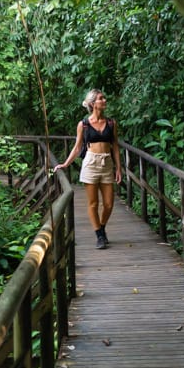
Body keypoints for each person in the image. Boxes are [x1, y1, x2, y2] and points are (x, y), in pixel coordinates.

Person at [54, 89, 122, 249]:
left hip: (107, 163)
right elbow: (78, 147)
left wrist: (119, 168)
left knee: (108, 203)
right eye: (101, 98)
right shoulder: (83, 124)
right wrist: (65, 164)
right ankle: (99, 235)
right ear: (93, 104)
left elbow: (115, 146)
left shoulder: (111, 123)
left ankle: (102, 227)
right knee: (93, 203)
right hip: (90, 163)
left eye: (104, 98)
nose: (104, 100)